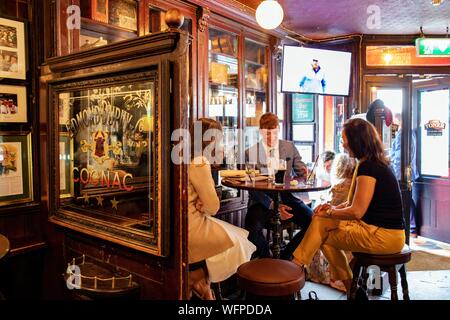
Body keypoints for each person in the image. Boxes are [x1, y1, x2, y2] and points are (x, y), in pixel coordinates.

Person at [291, 118, 406, 298]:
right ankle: (347, 286)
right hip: (379, 231)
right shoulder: (369, 162)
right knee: (322, 226)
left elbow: (356, 211)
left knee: (322, 231)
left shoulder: (368, 167)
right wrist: (329, 208)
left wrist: (329, 212)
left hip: (384, 236)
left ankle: (296, 267)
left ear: (356, 141)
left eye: (345, 139)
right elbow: (352, 203)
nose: (343, 144)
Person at [188, 118, 256, 300]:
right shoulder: (200, 161)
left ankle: (201, 284)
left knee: (238, 236)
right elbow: (213, 206)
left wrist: (204, 203)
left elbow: (205, 203)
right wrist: (207, 203)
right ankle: (199, 282)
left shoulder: (184, 156)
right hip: (192, 228)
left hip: (184, 223)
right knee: (239, 242)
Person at [245, 112, 312, 260]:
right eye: (268, 134)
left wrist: (305, 172)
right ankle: (267, 259)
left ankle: (286, 257)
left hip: (287, 197)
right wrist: (273, 205)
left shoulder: (289, 147)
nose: (272, 138)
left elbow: (301, 170)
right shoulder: (251, 152)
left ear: (278, 130)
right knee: (252, 227)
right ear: (261, 132)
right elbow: (251, 187)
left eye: (275, 133)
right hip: (262, 200)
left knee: (313, 222)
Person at [305, 153, 355, 291]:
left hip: (342, 227)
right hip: (354, 225)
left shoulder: (339, 187)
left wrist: (326, 209)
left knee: (317, 225)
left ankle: (300, 265)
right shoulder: (355, 185)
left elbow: (330, 210)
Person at [389, 112, 418, 235]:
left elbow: (399, 156)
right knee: (406, 197)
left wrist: (394, 173)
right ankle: (411, 227)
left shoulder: (403, 134)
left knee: (404, 197)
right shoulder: (409, 133)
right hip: (407, 171)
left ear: (398, 120)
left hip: (401, 172)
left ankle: (410, 227)